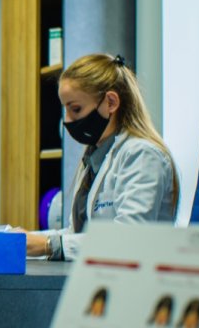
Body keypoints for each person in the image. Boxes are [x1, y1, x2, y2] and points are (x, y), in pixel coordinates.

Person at [22, 54, 179, 261]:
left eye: (76, 109)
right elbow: (76, 236)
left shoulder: (143, 154)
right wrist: (26, 240)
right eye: (66, 110)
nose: (67, 121)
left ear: (111, 102)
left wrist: (49, 245)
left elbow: (130, 240)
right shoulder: (95, 158)